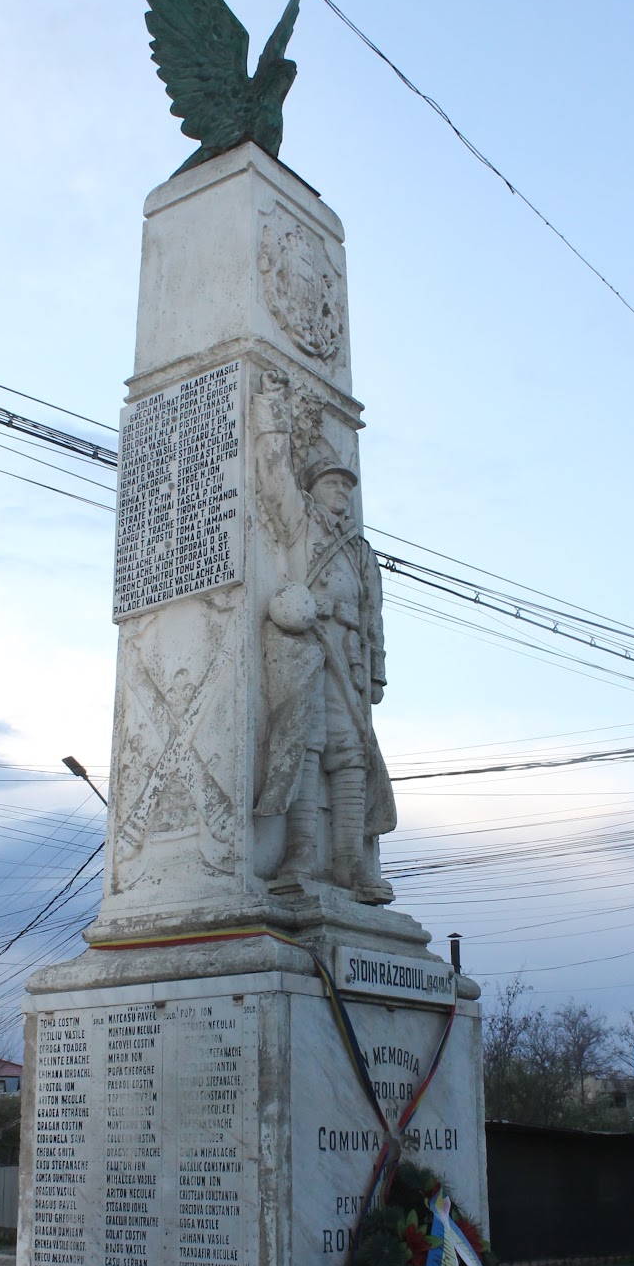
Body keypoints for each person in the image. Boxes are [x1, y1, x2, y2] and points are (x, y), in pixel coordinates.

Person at [253, 372, 395, 900]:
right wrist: (272, 411)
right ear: (314, 487)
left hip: (350, 658)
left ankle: (351, 865)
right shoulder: (301, 523)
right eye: (334, 483)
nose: (343, 492)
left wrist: (376, 670)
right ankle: (300, 853)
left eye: (347, 486)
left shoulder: (360, 552)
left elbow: (373, 612)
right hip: (308, 649)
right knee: (307, 746)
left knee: (350, 753)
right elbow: (271, 477)